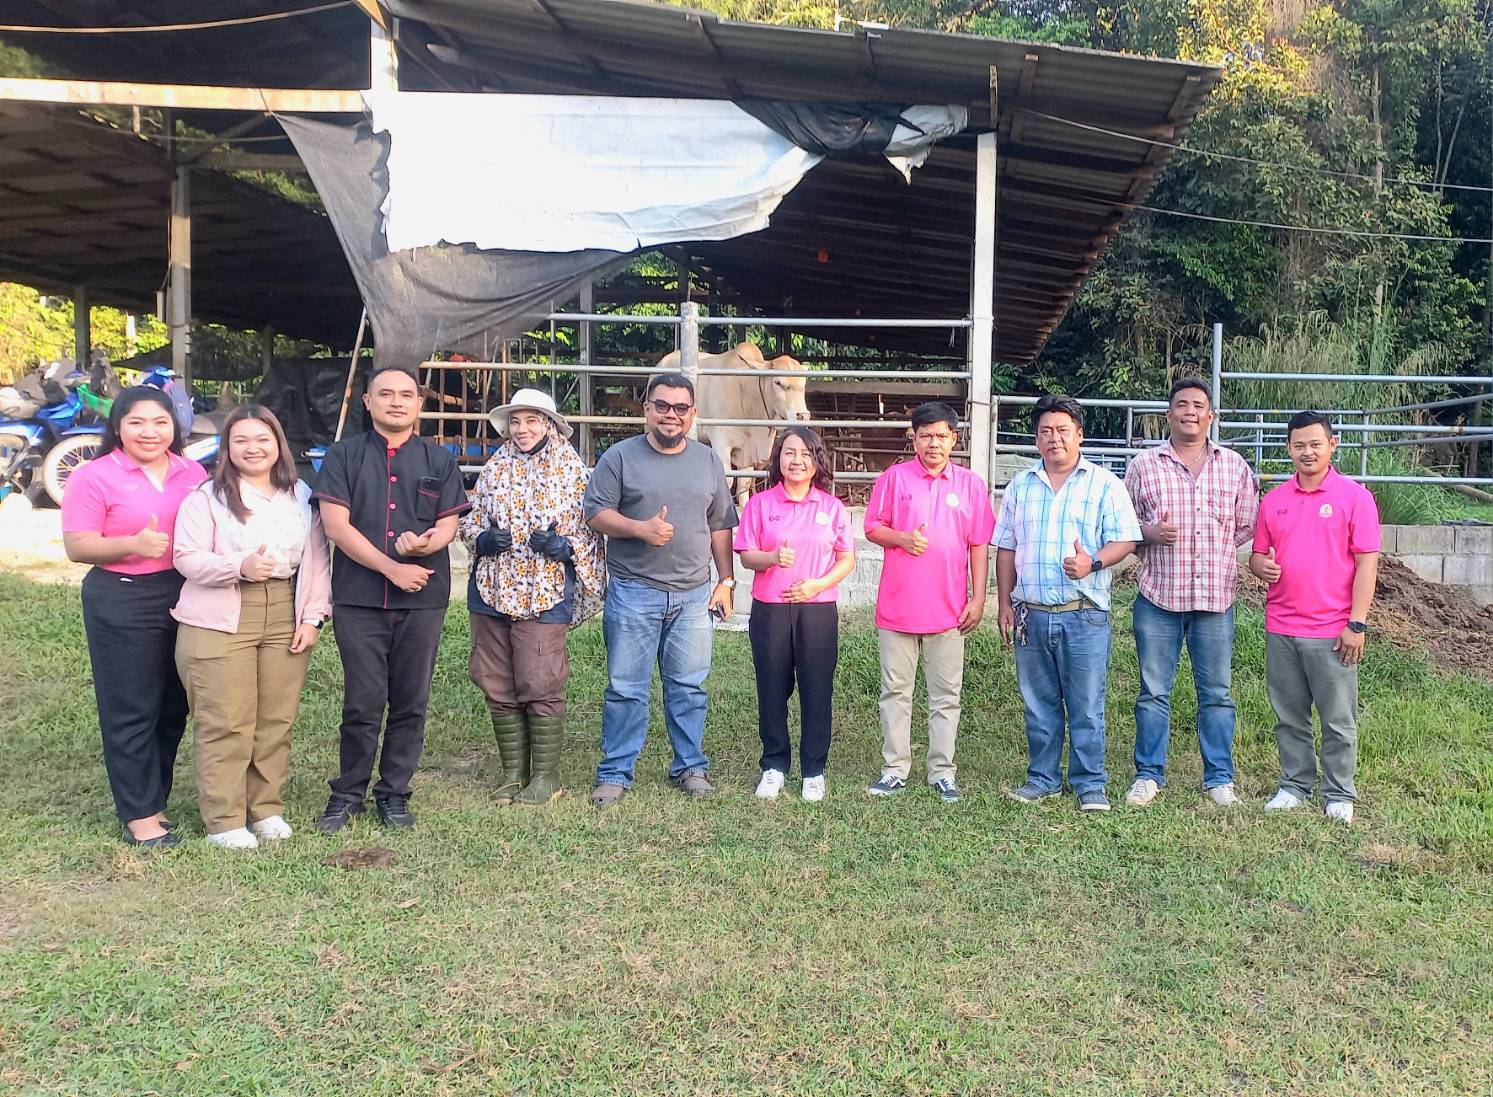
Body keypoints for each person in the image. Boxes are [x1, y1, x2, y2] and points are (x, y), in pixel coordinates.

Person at [311, 364, 470, 834]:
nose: (396, 401)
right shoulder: (343, 456)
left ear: (419, 404)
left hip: (423, 597)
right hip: (360, 598)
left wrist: (426, 546)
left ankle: (395, 793)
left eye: (406, 394)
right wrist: (390, 568)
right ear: (368, 401)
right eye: (386, 394)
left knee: (410, 699)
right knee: (362, 700)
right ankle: (347, 794)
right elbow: (336, 527)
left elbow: (448, 523)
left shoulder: (438, 459)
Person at [172, 405, 333, 849]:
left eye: (263, 439)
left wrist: (313, 616)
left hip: (284, 607)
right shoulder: (206, 497)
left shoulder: (299, 493)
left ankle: (265, 809)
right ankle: (224, 819)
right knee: (227, 719)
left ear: (279, 444)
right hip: (221, 613)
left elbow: (318, 560)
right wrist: (237, 566)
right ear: (227, 448)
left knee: (274, 718)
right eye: (241, 440)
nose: (253, 448)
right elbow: (184, 557)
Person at [61, 386, 208, 848]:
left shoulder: (193, 472)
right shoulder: (94, 476)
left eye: (160, 422)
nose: (150, 432)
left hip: (185, 593)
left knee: (173, 703)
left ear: (175, 426)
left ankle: (154, 799)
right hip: (123, 596)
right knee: (131, 706)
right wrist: (131, 544)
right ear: (118, 427)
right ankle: (140, 817)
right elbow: (77, 546)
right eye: (137, 422)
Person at [582, 372, 738, 806]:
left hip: (693, 594)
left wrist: (725, 581)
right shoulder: (620, 457)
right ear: (647, 409)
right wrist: (639, 529)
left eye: (681, 408)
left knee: (689, 686)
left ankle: (690, 766)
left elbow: (721, 522)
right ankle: (616, 771)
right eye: (663, 406)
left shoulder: (707, 460)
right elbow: (595, 512)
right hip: (635, 591)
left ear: (692, 414)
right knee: (626, 687)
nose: (672, 415)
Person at [995, 394, 1140, 812]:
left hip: (1083, 615)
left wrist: (1092, 562)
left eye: (1062, 430)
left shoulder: (1104, 484)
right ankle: (1042, 778)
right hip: (1031, 614)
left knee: (1087, 705)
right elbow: (1006, 548)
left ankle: (1090, 783)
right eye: (1044, 431)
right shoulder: (1021, 486)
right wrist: (1004, 604)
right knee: (1038, 705)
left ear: (1080, 434)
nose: (1053, 438)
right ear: (1036, 439)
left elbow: (1126, 539)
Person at [460, 388, 604, 806]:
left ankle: (545, 776)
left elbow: (589, 528)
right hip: (492, 586)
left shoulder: (571, 470)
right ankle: (512, 772)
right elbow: (471, 519)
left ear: (550, 424)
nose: (523, 430)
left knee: (539, 676)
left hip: (544, 590)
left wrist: (565, 549)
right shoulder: (494, 468)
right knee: (495, 677)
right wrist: (483, 539)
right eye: (517, 422)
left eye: (532, 420)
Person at [1122, 378, 1259, 808]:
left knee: (1217, 693)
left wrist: (1212, 551)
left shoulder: (1234, 466)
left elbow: (1244, 526)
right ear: (1169, 414)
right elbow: (1123, 528)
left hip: (1216, 603)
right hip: (1159, 599)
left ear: (1211, 416)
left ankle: (1219, 778)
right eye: (1181, 405)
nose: (1190, 412)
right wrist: (1150, 533)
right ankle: (1148, 775)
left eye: (1199, 405)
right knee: (1153, 692)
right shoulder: (1144, 465)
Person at [1249, 411, 1380, 825]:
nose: (1307, 452)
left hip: (1334, 630)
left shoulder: (1354, 497)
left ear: (1332, 445)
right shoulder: (1274, 501)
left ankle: (1339, 793)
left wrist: (1356, 623)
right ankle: (1294, 784)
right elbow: (1257, 554)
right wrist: (1259, 566)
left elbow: (1367, 565)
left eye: (1315, 444)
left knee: (1338, 719)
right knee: (1289, 715)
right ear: (1288, 448)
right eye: (1299, 445)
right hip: (1282, 627)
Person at [863, 401, 995, 803]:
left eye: (941, 436)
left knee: (945, 696)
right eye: (925, 436)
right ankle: (894, 769)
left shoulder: (971, 484)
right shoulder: (893, 478)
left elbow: (979, 544)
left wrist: (979, 597)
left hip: (950, 610)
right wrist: (901, 538)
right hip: (898, 608)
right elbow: (871, 527)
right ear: (913, 438)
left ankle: (942, 771)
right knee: (895, 692)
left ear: (954, 439)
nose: (933, 443)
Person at [734, 427, 855, 802]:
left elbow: (846, 558)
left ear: (816, 460)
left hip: (817, 612)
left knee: (817, 688)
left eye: (805, 453)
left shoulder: (832, 507)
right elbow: (745, 553)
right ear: (778, 459)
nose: (796, 460)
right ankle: (773, 765)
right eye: (789, 453)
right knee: (771, 687)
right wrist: (772, 559)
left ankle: (814, 770)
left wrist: (817, 585)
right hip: (770, 609)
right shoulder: (760, 504)